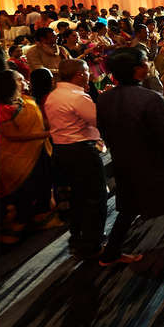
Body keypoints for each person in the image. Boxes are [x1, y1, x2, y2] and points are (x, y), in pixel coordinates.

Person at [96, 47, 164, 285]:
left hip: (123, 167)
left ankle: (110, 254)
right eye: (145, 62)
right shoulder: (150, 99)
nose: (148, 65)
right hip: (154, 169)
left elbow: (104, 133)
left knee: (126, 210)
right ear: (137, 70)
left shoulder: (103, 99)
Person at [43, 59, 107, 260]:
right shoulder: (77, 96)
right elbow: (99, 120)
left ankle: (79, 238)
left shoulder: (54, 95)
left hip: (61, 150)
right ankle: (93, 244)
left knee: (76, 197)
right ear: (79, 74)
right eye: (87, 71)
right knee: (95, 197)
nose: (90, 74)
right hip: (80, 151)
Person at [0, 70, 61, 244]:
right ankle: (15, 229)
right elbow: (12, 136)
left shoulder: (25, 101)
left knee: (41, 185)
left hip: (38, 152)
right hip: (14, 159)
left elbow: (39, 122)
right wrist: (47, 134)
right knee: (24, 192)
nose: (24, 81)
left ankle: (39, 219)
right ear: (9, 85)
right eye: (19, 79)